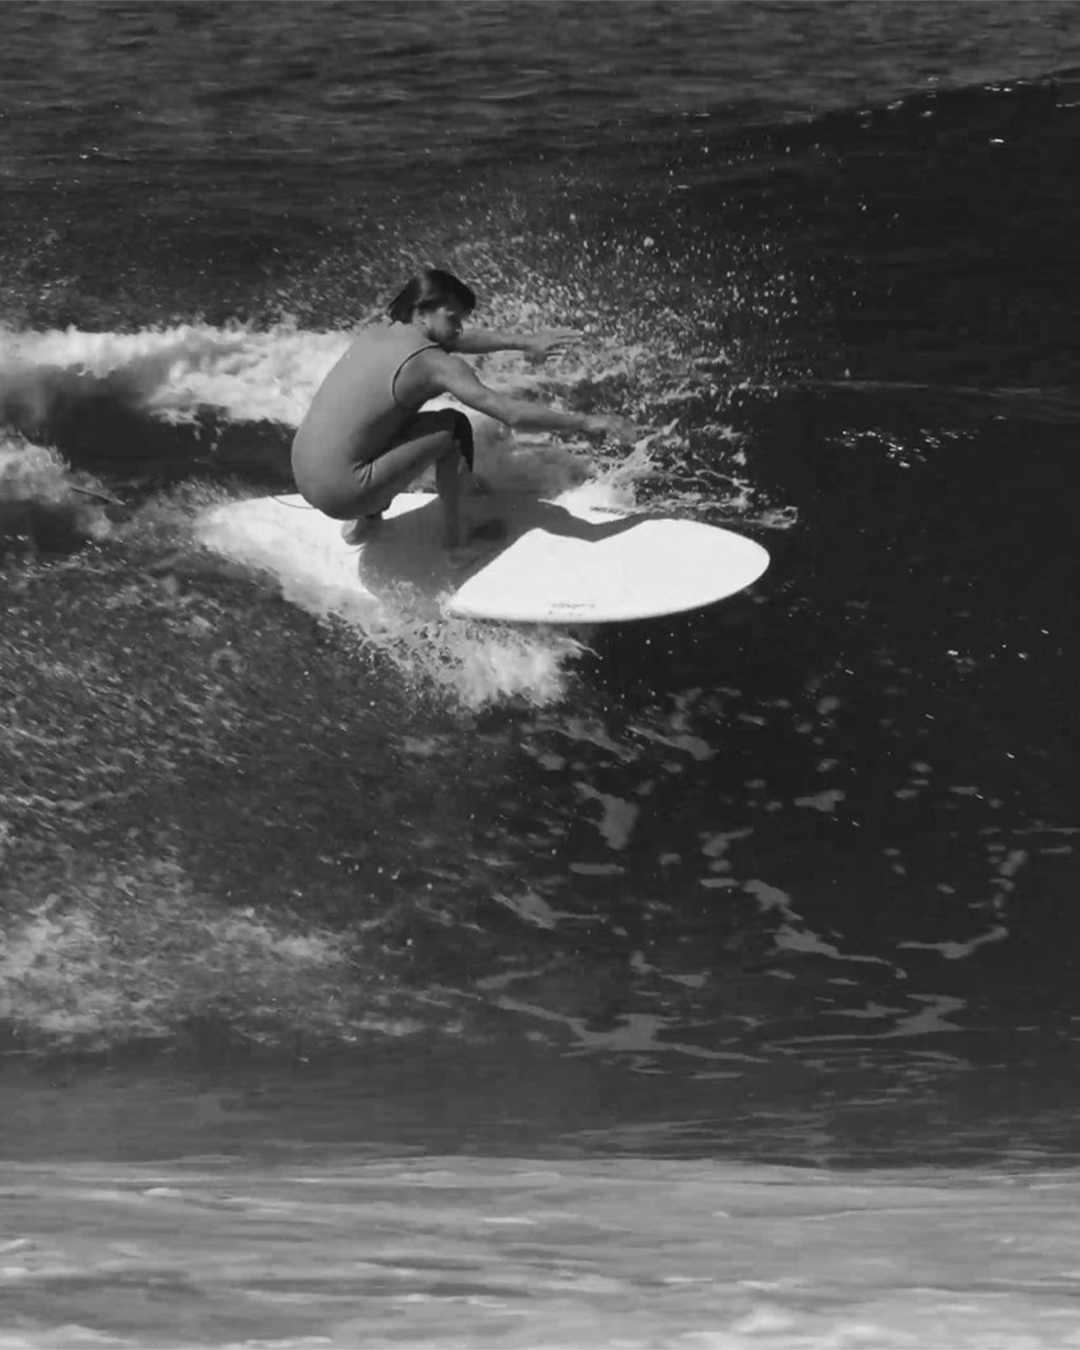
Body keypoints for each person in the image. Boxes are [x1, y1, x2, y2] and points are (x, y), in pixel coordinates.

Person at [290, 267, 638, 564]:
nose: (459, 328)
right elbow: (512, 414)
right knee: (452, 427)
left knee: (390, 417)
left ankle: (363, 525)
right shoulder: (433, 364)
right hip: (344, 492)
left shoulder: (378, 332)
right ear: (422, 312)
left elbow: (453, 339)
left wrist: (525, 342)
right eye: (453, 317)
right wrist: (589, 422)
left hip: (303, 473)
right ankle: (457, 545)